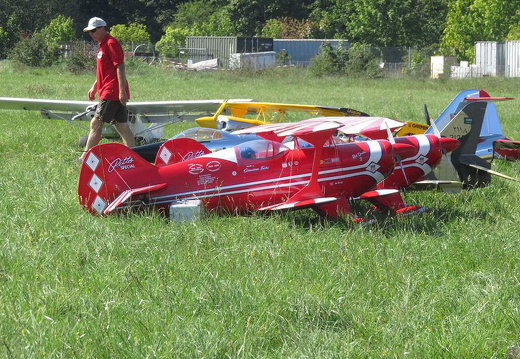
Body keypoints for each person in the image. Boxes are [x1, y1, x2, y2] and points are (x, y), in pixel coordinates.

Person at [80, 17, 135, 160]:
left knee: (96, 123)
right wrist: (94, 87)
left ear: (102, 28)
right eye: (89, 32)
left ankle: (86, 157)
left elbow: (120, 66)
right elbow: (105, 71)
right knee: (122, 125)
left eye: (93, 31)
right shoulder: (102, 45)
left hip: (111, 91)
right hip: (107, 90)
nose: (91, 34)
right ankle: (136, 156)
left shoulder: (111, 43)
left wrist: (122, 90)